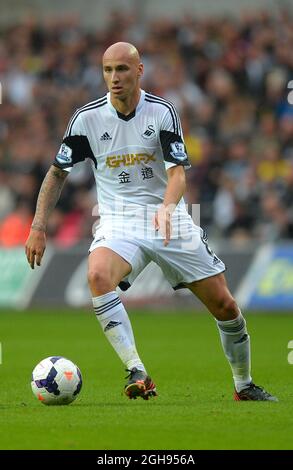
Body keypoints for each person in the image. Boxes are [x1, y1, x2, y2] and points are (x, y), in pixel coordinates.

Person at [25, 42, 277, 402]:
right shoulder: (86, 119)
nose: (114, 78)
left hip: (168, 218)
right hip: (119, 221)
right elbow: (56, 174)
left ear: (139, 71)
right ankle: (136, 369)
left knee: (226, 307)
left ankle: (244, 384)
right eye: (108, 70)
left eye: (122, 69)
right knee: (98, 275)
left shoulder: (162, 112)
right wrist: (38, 226)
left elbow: (178, 175)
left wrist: (166, 207)